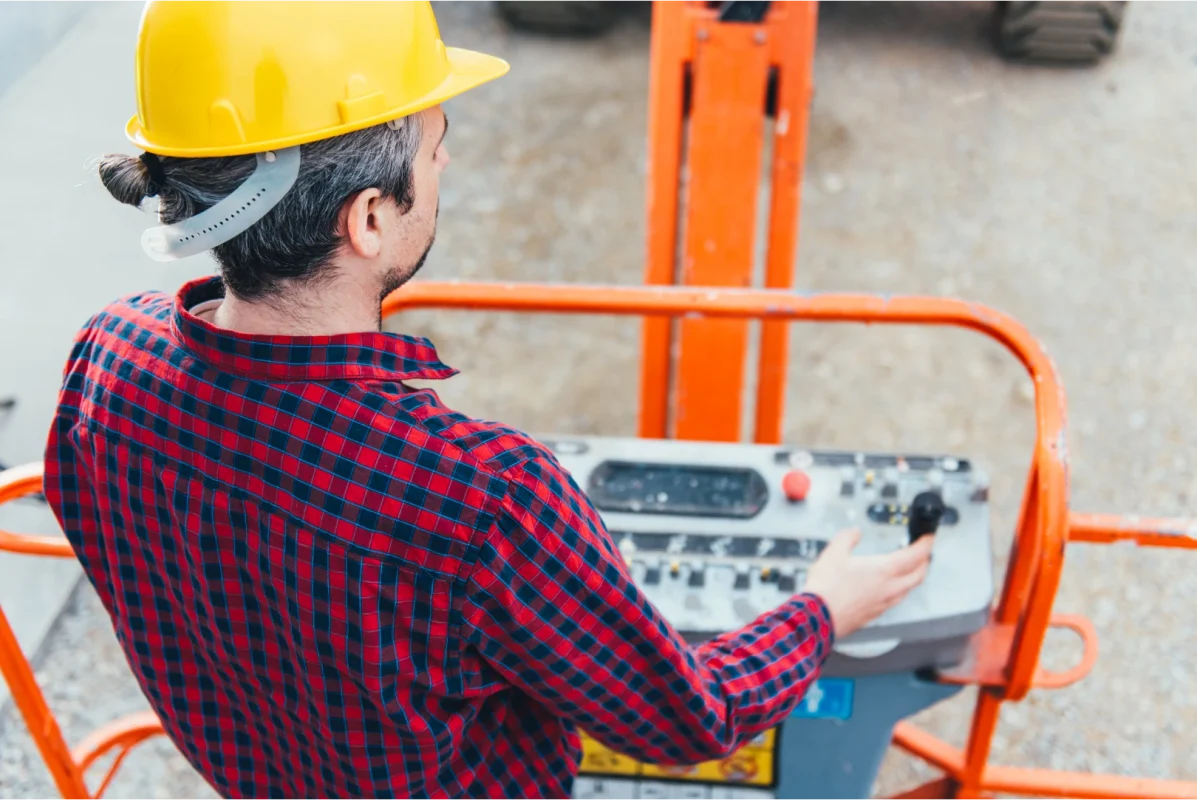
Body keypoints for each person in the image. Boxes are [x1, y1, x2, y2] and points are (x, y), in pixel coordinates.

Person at [42, 0, 935, 797]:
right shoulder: (480, 497)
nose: (446, 161)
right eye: (434, 149)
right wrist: (822, 609)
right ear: (368, 219)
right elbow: (682, 722)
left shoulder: (107, 360)